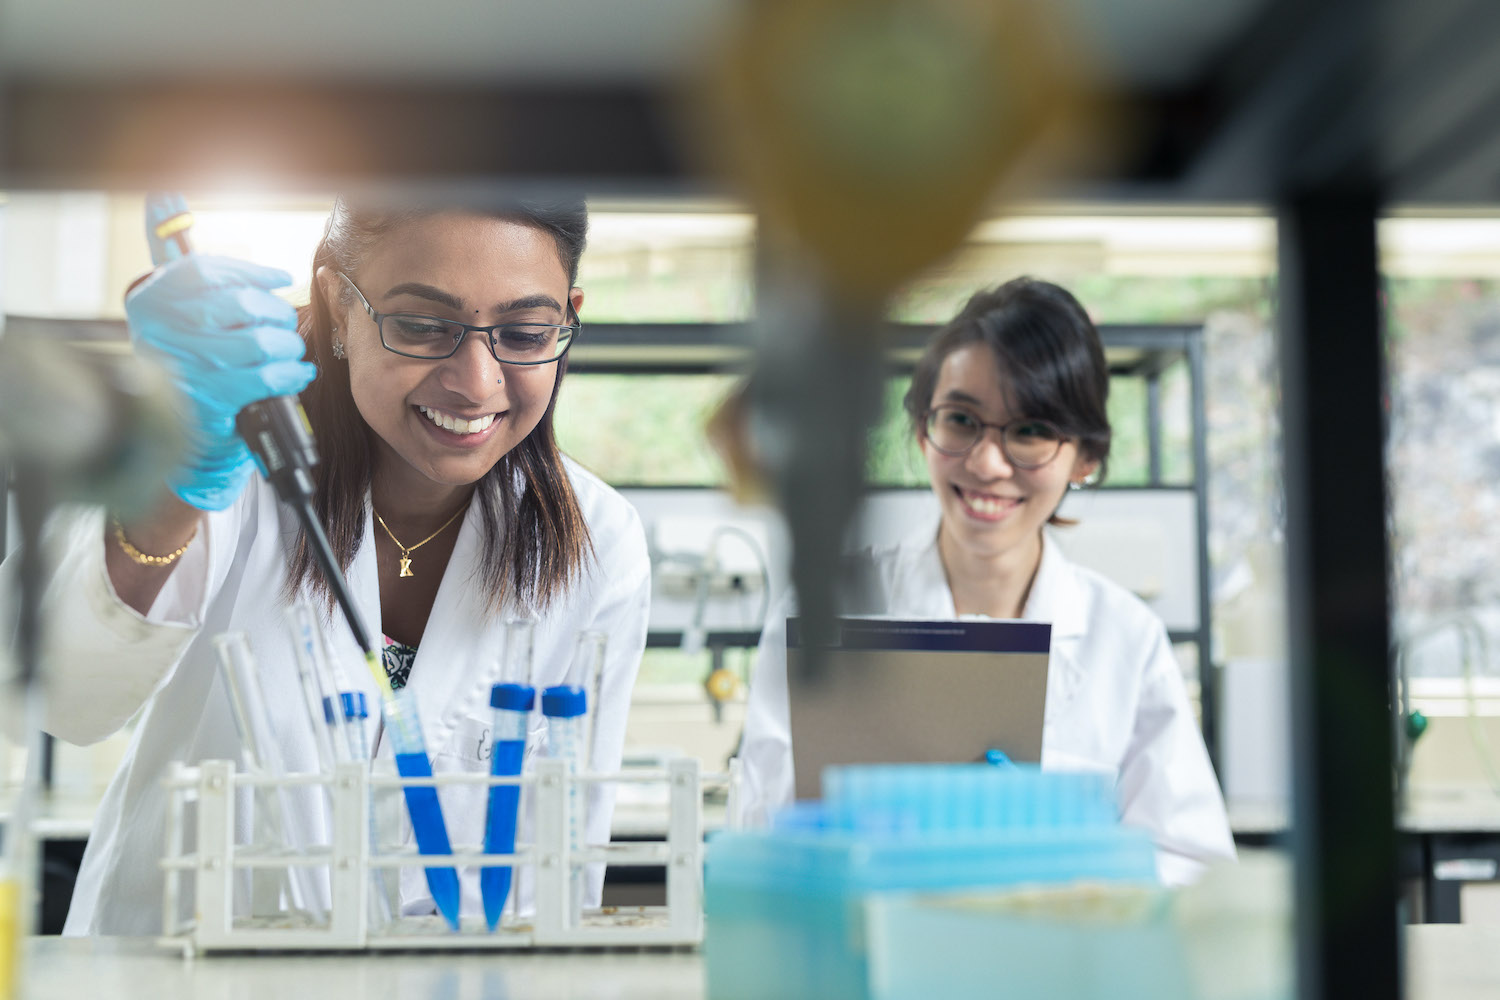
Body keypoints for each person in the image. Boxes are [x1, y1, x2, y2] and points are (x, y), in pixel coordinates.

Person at [0, 193, 651, 934]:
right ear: (340, 307)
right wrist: (178, 472)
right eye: (421, 325)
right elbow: (59, 698)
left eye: (524, 331)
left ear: (567, 317)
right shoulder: (231, 472)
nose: (476, 380)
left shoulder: (599, 542)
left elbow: (561, 873)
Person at [737, 277, 1235, 886]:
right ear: (923, 429)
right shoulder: (824, 613)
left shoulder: (1126, 641)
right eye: (962, 420)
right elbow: (760, 829)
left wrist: (1067, 853)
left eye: (1030, 431)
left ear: (1086, 457)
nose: (987, 463)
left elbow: (1191, 863)